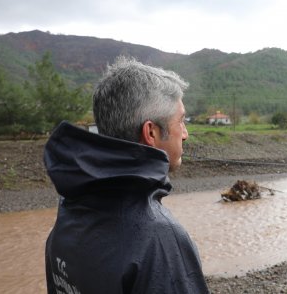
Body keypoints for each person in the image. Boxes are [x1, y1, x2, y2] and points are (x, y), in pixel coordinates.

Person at [44, 57, 210, 293]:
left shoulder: (69, 212)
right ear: (151, 132)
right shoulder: (159, 237)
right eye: (181, 121)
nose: (185, 134)